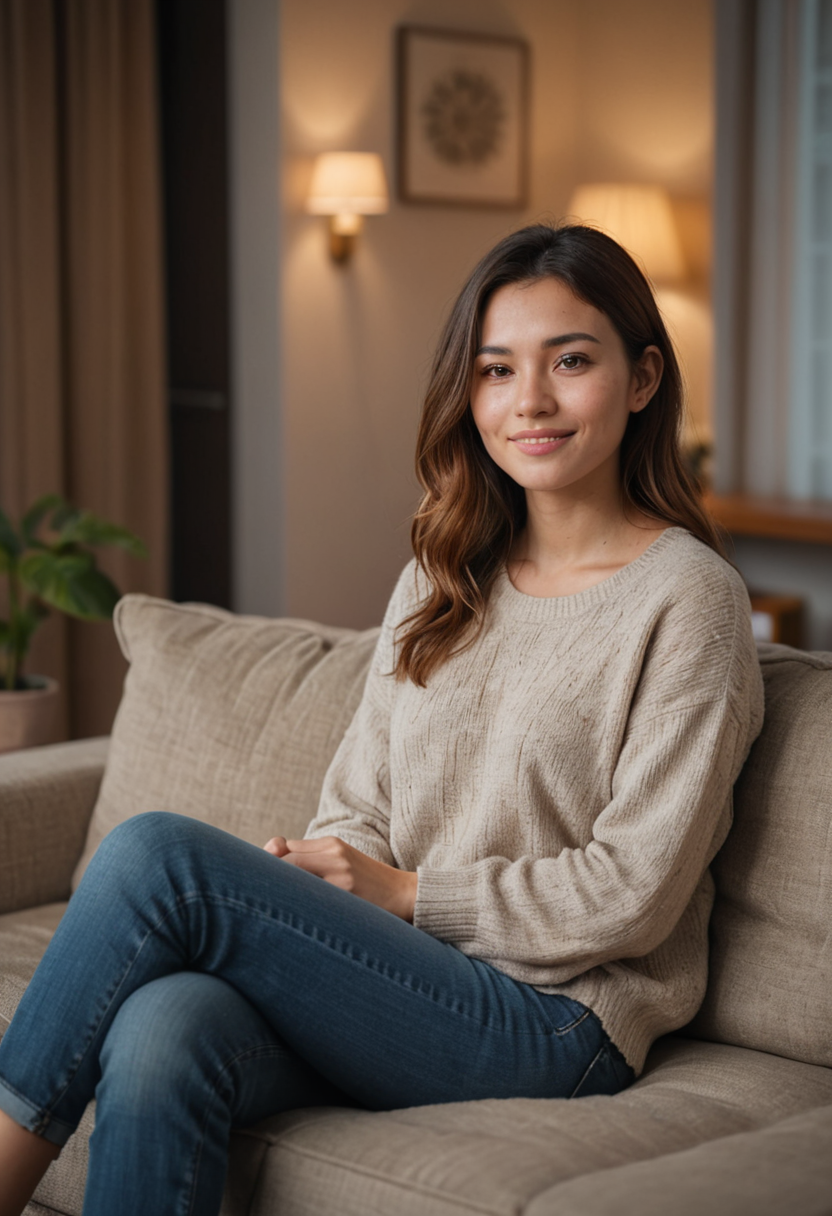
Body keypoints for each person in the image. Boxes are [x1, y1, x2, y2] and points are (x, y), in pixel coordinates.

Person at [0, 224, 764, 1216]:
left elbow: (632, 895)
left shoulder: (689, 600)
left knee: (160, 857)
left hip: (556, 1023)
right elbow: (357, 805)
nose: (528, 401)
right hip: (409, 983)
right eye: (495, 370)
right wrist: (325, 877)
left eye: (569, 361)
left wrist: (404, 893)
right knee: (161, 1024)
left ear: (642, 377)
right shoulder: (439, 577)